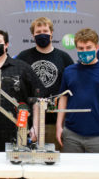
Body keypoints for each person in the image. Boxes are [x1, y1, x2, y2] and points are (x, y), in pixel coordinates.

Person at [16, 17, 73, 148]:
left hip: (55, 123)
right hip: (28, 122)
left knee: (52, 162)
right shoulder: (23, 57)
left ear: (51, 32)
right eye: (38, 31)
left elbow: (71, 87)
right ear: (33, 35)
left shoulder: (64, 58)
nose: (42, 34)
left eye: (45, 30)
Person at [56, 28, 99, 153]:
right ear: (76, 48)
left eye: (88, 47)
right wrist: (59, 126)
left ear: (97, 47)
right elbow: (63, 98)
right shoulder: (69, 71)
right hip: (71, 134)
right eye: (81, 48)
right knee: (71, 172)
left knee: (98, 172)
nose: (85, 51)